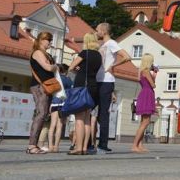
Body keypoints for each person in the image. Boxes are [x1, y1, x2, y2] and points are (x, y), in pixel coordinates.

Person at [95, 22, 131, 154]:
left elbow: (127, 56)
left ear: (104, 31)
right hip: (99, 80)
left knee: (103, 113)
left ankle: (103, 144)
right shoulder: (103, 45)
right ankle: (91, 142)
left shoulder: (111, 43)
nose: (96, 32)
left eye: (97, 30)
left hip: (106, 81)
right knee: (95, 113)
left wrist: (113, 65)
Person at [67, 33, 102, 155]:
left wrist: (77, 70)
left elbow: (71, 67)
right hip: (93, 87)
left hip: (82, 86)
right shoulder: (98, 55)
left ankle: (79, 147)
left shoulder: (84, 53)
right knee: (87, 118)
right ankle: (85, 147)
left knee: (79, 119)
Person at [27, 32, 58, 155]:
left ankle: (35, 144)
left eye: (51, 40)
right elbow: (48, 68)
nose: (50, 42)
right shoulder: (37, 52)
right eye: (48, 40)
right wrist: (56, 66)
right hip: (39, 87)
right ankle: (31, 145)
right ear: (41, 40)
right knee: (41, 114)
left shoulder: (46, 54)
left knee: (43, 114)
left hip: (46, 87)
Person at [132, 53, 157, 153]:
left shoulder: (141, 71)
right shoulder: (146, 71)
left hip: (144, 93)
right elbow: (153, 85)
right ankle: (134, 145)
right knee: (145, 122)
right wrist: (154, 75)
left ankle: (140, 144)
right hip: (147, 94)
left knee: (143, 122)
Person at [48, 64, 73, 152]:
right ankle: (56, 147)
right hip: (64, 104)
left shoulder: (55, 78)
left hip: (54, 103)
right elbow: (71, 91)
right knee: (60, 126)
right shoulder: (68, 80)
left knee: (52, 125)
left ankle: (50, 146)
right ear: (65, 71)